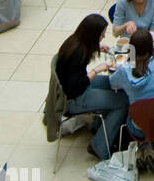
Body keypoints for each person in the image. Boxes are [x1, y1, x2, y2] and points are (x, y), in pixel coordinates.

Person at [55, 13, 128, 160]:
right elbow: (76, 86)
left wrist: (98, 48)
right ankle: (99, 146)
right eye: (101, 35)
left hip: (75, 88)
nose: (103, 37)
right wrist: (96, 70)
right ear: (92, 35)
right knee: (122, 102)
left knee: (114, 84)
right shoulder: (77, 53)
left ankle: (101, 127)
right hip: (75, 97)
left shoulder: (76, 42)